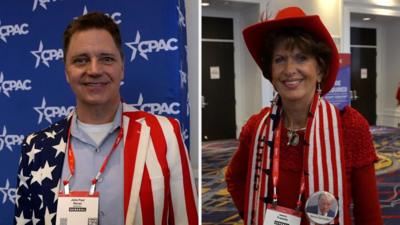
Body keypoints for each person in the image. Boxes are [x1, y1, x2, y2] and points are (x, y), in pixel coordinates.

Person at [14, 12, 198, 225]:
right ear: (66, 71)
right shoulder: (36, 147)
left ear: (122, 67)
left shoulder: (165, 134)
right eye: (81, 60)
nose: (94, 70)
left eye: (106, 59)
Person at [225, 6, 382, 225]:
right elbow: (235, 178)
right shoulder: (257, 126)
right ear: (270, 72)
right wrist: (252, 214)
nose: (289, 69)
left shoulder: (349, 126)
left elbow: (369, 214)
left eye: (301, 58)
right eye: (279, 59)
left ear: (320, 70)